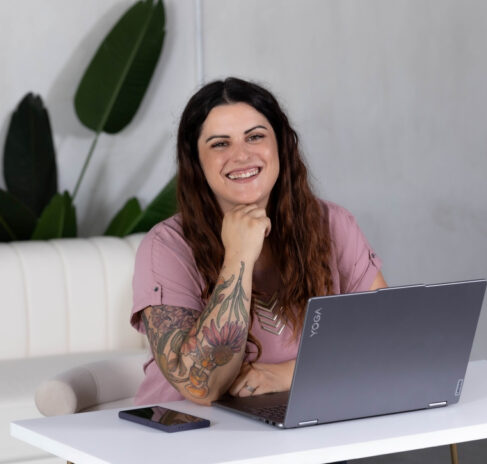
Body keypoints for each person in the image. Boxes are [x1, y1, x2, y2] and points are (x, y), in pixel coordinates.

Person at [130, 77, 386, 406]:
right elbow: (200, 387)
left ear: (280, 145)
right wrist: (238, 256)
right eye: (220, 143)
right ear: (197, 161)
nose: (241, 155)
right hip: (187, 437)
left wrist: (288, 374)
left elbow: (385, 339)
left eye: (255, 137)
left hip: (302, 424)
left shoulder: (332, 224)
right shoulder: (165, 247)